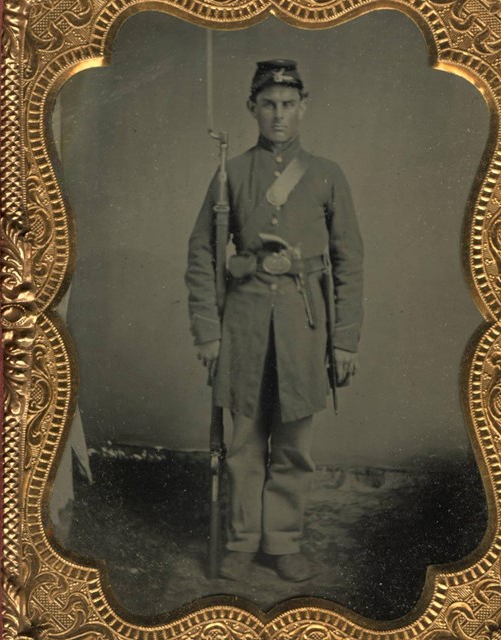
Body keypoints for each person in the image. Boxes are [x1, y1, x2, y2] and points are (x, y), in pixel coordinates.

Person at [186, 60, 363, 582]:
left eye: (288, 105)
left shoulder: (328, 174)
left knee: (293, 443)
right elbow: (202, 254)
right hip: (242, 325)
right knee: (242, 442)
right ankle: (241, 540)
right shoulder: (231, 174)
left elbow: (349, 258)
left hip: (304, 326)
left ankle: (282, 541)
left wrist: (345, 338)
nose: (278, 115)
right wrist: (209, 331)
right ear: (252, 108)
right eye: (268, 104)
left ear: (303, 108)